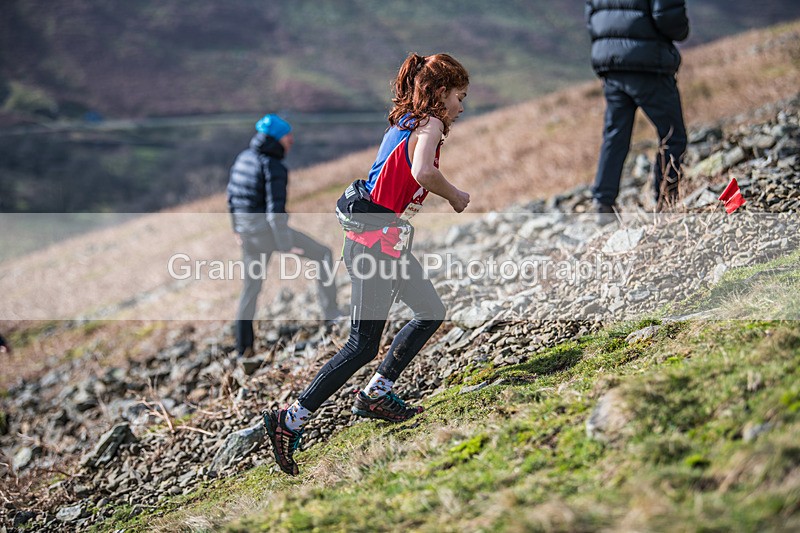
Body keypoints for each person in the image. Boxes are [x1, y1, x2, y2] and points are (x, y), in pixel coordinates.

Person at [263, 53, 471, 476]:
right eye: (460, 96)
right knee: (362, 344)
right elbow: (422, 172)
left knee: (430, 312)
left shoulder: (404, 123)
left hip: (379, 242)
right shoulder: (429, 124)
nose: (462, 107)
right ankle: (290, 420)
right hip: (375, 247)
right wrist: (454, 195)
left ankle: (376, 392)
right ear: (441, 93)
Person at [227, 114, 341, 358]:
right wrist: (286, 245)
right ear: (277, 138)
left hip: (248, 233)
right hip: (267, 232)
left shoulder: (244, 158)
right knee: (323, 254)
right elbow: (275, 213)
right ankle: (332, 317)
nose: (292, 140)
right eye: (288, 136)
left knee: (251, 288)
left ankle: (243, 348)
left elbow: (232, 197)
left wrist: (237, 229)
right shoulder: (273, 166)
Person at [586, 0, 689, 218]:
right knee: (673, 136)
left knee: (615, 135)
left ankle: (603, 204)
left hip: (611, 65)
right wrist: (681, 30)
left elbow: (592, 18)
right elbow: (669, 17)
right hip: (648, 63)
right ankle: (665, 203)